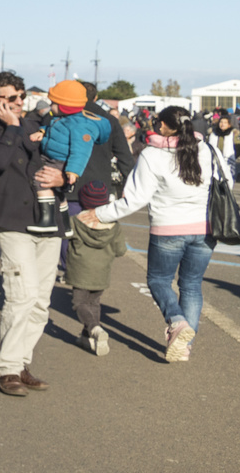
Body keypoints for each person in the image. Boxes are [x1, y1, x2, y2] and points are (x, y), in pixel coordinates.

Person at [78, 106, 232, 363]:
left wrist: (101, 214)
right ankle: (183, 347)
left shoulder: (152, 154)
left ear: (164, 126)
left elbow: (135, 198)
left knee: (159, 280)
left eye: (159, 123)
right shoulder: (207, 149)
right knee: (192, 286)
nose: (156, 126)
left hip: (168, 228)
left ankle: (177, 322)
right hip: (205, 229)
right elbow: (226, 178)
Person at [0, 70, 63, 396]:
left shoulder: (34, 124)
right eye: (12, 99)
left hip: (47, 219)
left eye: (22, 97)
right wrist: (13, 128)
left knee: (41, 302)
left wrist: (63, 178)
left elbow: (55, 159)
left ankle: (21, 362)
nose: (20, 103)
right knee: (21, 294)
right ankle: (6, 369)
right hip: (11, 220)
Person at [30, 79, 114, 235]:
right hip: (54, 157)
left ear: (64, 106)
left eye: (53, 103)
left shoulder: (80, 125)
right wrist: (42, 132)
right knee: (59, 193)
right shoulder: (63, 119)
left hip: (60, 161)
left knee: (41, 182)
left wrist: (73, 171)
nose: (51, 106)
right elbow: (52, 129)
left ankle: (47, 220)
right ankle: (65, 225)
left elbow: (81, 151)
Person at [65, 181, 124, 356]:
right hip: (102, 271)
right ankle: (87, 337)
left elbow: (63, 237)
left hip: (80, 270)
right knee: (94, 303)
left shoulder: (75, 221)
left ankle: (95, 329)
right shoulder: (114, 225)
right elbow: (121, 250)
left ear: (83, 201)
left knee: (79, 303)